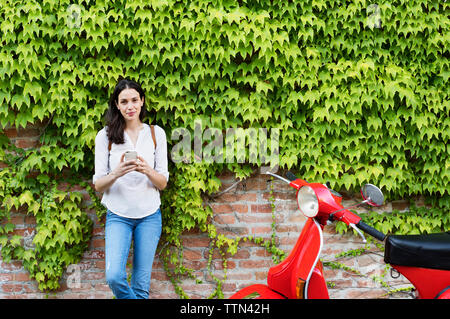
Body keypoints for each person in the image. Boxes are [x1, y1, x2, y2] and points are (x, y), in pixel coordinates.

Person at [92, 78, 169, 299]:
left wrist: (146, 169)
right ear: (116, 104)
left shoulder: (156, 134)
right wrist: (117, 172)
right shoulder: (105, 136)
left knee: (140, 287)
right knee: (114, 276)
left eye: (135, 100)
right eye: (124, 101)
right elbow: (98, 184)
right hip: (118, 215)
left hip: (149, 216)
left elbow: (162, 183)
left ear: (142, 101)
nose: (130, 106)